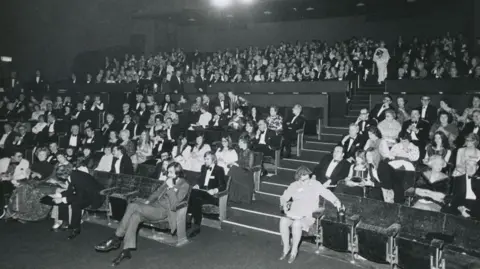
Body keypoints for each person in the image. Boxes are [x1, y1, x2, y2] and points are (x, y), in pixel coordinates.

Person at [94, 162, 189, 265]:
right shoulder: (168, 180)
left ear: (178, 173)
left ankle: (116, 238)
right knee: (135, 216)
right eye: (168, 172)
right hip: (153, 206)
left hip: (163, 212)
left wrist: (171, 188)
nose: (168, 174)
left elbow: (175, 205)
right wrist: (147, 202)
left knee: (133, 205)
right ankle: (126, 251)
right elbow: (157, 193)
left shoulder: (184, 185)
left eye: (170, 172)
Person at [279, 166, 342, 263]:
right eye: (302, 178)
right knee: (283, 221)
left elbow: (327, 193)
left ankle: (294, 250)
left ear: (309, 175)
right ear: (298, 178)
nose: (305, 181)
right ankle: (286, 248)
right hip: (294, 213)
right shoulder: (294, 185)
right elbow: (284, 197)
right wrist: (284, 204)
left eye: (307, 177)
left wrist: (336, 201)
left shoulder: (315, 184)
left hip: (308, 215)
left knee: (297, 224)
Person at [41, 170, 105, 240]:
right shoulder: (72, 174)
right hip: (85, 193)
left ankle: (76, 228)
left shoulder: (77, 178)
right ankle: (65, 223)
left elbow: (79, 196)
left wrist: (62, 199)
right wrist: (59, 195)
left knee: (75, 204)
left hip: (94, 197)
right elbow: (70, 190)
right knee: (64, 200)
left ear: (64, 176)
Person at [188, 152, 225, 236]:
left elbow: (223, 185)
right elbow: (200, 180)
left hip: (212, 195)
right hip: (202, 191)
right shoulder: (203, 167)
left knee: (195, 197)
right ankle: (192, 223)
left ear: (213, 160)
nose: (205, 161)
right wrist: (197, 185)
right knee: (193, 193)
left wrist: (215, 190)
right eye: (204, 159)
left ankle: (194, 224)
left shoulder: (219, 169)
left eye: (207, 159)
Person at [228, 137, 254, 204]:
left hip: (246, 172)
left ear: (244, 143)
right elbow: (239, 161)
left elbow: (249, 167)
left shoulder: (250, 153)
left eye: (240, 142)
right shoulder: (241, 151)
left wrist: (238, 166)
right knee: (233, 168)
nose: (238, 144)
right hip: (240, 170)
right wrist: (233, 163)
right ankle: (233, 196)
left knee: (233, 170)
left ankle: (231, 195)